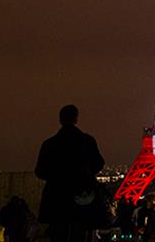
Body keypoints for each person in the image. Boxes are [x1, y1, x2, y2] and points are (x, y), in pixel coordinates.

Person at [34, 104, 105, 242]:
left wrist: (57, 177)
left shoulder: (49, 144)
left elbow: (40, 171)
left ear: (60, 119)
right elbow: (99, 163)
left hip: (57, 198)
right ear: (76, 119)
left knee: (59, 234)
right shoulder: (87, 141)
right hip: (83, 198)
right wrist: (85, 176)